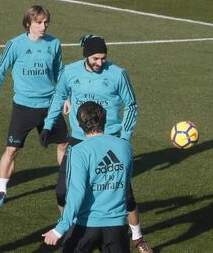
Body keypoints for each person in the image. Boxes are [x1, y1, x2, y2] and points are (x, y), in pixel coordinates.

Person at [40, 35, 152, 253]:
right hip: (79, 141)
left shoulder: (118, 74)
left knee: (124, 194)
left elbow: (132, 105)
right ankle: (74, 227)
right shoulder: (70, 72)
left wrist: (124, 137)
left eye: (103, 58)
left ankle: (137, 237)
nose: (100, 62)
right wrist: (48, 125)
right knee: (62, 192)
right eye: (96, 58)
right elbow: (58, 96)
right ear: (86, 56)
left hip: (111, 140)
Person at [0, 5, 68, 207]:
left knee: (64, 144)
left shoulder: (54, 43)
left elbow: (61, 73)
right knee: (12, 149)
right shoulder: (15, 45)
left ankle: (70, 181)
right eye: (39, 22)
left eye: (46, 22)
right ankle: (1, 190)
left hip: (50, 105)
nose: (43, 26)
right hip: (24, 106)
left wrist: (66, 97)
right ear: (28, 23)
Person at [42, 101, 132, 252]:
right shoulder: (125, 146)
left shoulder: (78, 151)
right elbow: (125, 185)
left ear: (78, 124)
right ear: (104, 120)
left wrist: (60, 228)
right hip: (117, 226)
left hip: (85, 225)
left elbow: (76, 192)